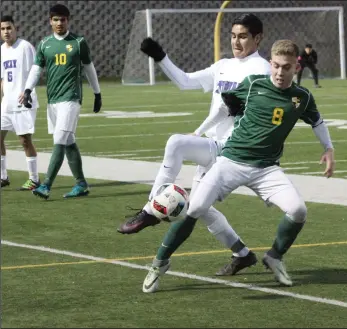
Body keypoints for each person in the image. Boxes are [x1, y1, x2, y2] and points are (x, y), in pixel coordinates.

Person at [141, 39, 335, 293]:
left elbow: (317, 122)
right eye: (275, 65)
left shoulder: (301, 97)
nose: (279, 72)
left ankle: (275, 256)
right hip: (231, 161)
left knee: (298, 210)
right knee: (196, 207)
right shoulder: (254, 84)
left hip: (267, 169)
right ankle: (159, 264)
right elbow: (224, 107)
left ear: (295, 69)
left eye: (285, 67)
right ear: (270, 64)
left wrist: (328, 149)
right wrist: (201, 131)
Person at [117, 14, 271, 257]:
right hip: (212, 144)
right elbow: (185, 81)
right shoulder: (224, 66)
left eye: (242, 36)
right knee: (197, 208)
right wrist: (161, 57)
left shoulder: (263, 69)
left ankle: (150, 210)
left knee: (176, 143)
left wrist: (247, 109)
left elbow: (266, 113)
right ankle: (242, 255)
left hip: (232, 149)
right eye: (232, 36)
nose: (236, 42)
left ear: (258, 38)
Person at [20, 4, 102, 200]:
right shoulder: (44, 43)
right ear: (50, 21)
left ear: (68, 20)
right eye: (55, 20)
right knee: (68, 141)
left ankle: (46, 185)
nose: (59, 23)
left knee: (59, 140)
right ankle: (81, 184)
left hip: (71, 99)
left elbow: (89, 68)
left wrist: (97, 93)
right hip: (53, 101)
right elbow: (36, 69)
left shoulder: (78, 42)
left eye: (62, 19)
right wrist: (28, 89)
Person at [1, 15, 40, 190]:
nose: (6, 32)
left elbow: (36, 71)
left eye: (9, 28)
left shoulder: (25, 47)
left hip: (24, 102)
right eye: (2, 29)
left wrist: (28, 92)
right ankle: (3, 177)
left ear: (16, 28)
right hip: (7, 103)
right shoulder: (2, 50)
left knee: (24, 140)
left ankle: (34, 179)